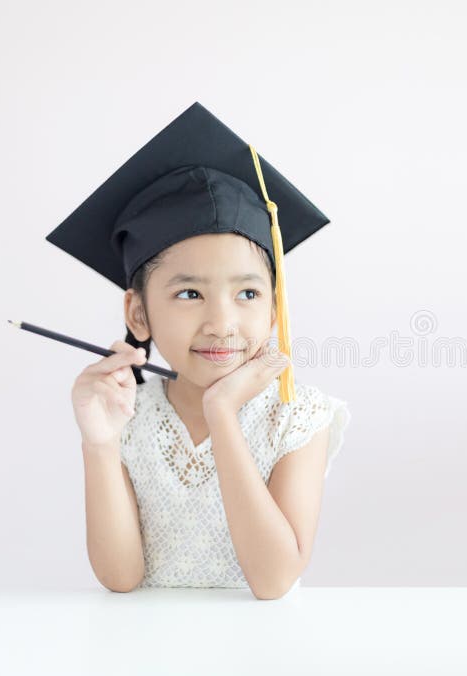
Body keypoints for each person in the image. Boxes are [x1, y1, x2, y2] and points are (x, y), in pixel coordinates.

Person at [46, 101, 351, 598]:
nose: (222, 323)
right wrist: (100, 445)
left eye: (247, 293)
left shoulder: (297, 417)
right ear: (139, 313)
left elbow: (273, 580)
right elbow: (120, 578)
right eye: (189, 293)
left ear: (275, 308)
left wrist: (223, 413)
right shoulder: (128, 416)